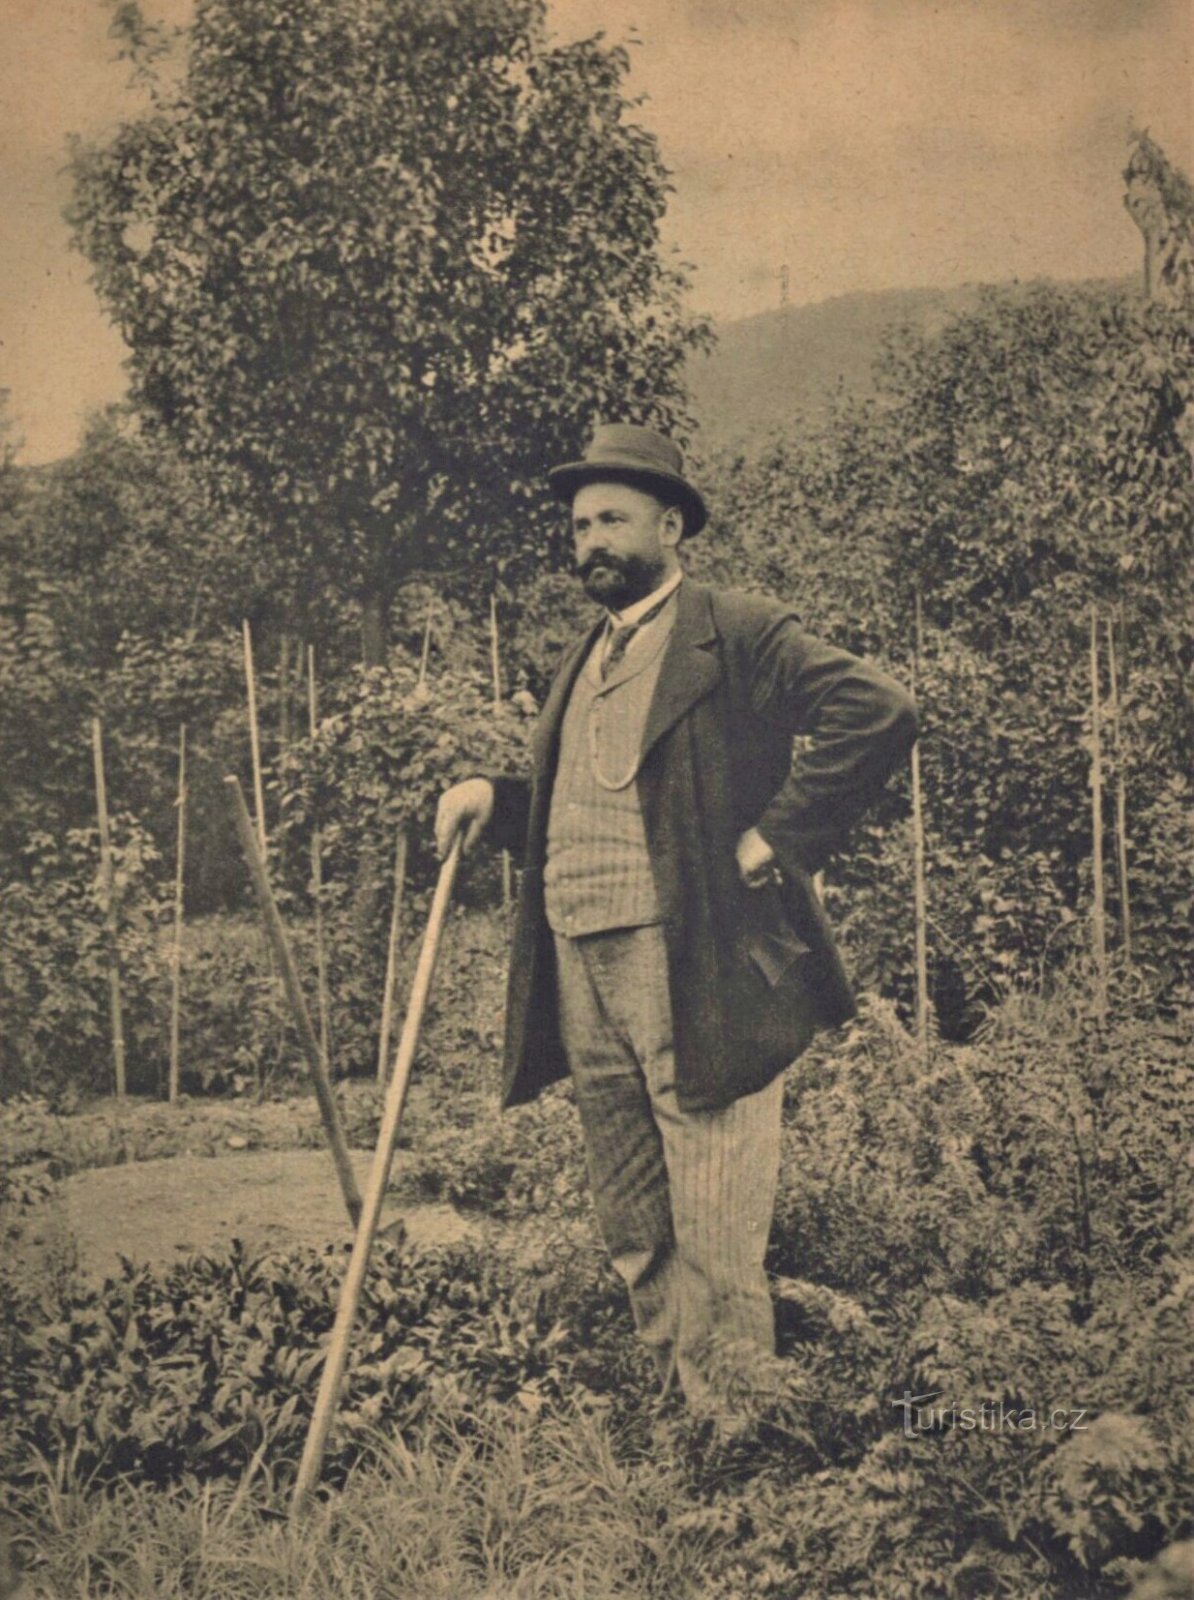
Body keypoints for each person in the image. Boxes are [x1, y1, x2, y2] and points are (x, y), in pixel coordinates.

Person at [435, 423, 916, 1423]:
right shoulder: (587, 653)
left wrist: (776, 838)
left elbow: (877, 709)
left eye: (612, 519)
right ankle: (676, 1404)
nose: (591, 542)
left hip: (691, 957)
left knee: (715, 1209)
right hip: (580, 955)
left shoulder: (734, 632)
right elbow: (597, 798)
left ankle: (739, 1425)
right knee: (631, 1210)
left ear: (670, 525)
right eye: (579, 526)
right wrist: (493, 795)